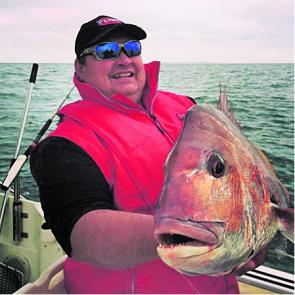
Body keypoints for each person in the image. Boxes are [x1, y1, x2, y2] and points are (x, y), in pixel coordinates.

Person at [30, 15, 264, 294]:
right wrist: (200, 236)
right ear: (80, 68)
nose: (124, 59)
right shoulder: (64, 145)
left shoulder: (187, 109)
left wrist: (250, 238)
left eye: (132, 48)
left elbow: (242, 169)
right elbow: (83, 234)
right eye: (106, 51)